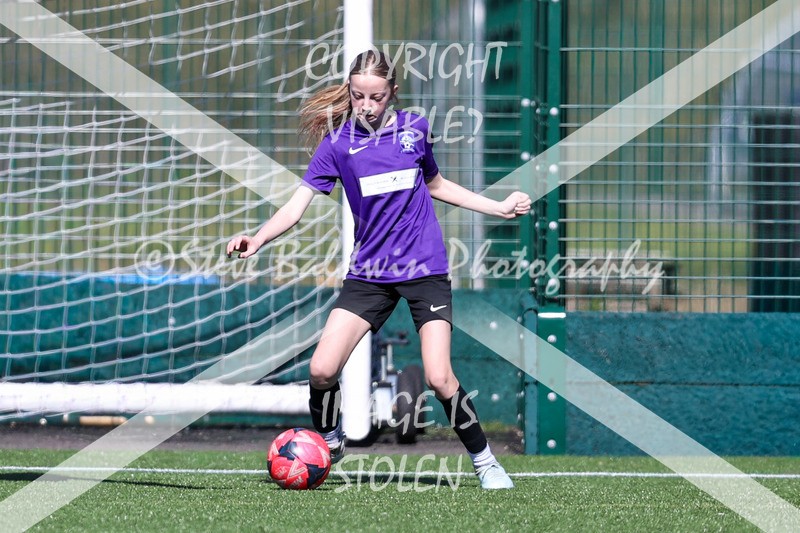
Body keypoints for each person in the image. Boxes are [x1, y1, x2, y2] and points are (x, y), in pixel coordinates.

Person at [227, 50, 530, 490]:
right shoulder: (337, 144)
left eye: (376, 96)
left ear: (392, 94)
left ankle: (485, 462)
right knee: (321, 370)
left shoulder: (414, 130)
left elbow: (437, 185)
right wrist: (257, 238)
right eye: (358, 96)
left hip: (424, 269)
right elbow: (296, 206)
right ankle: (330, 439)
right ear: (349, 92)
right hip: (369, 273)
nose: (366, 105)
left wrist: (498, 207)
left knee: (439, 376)